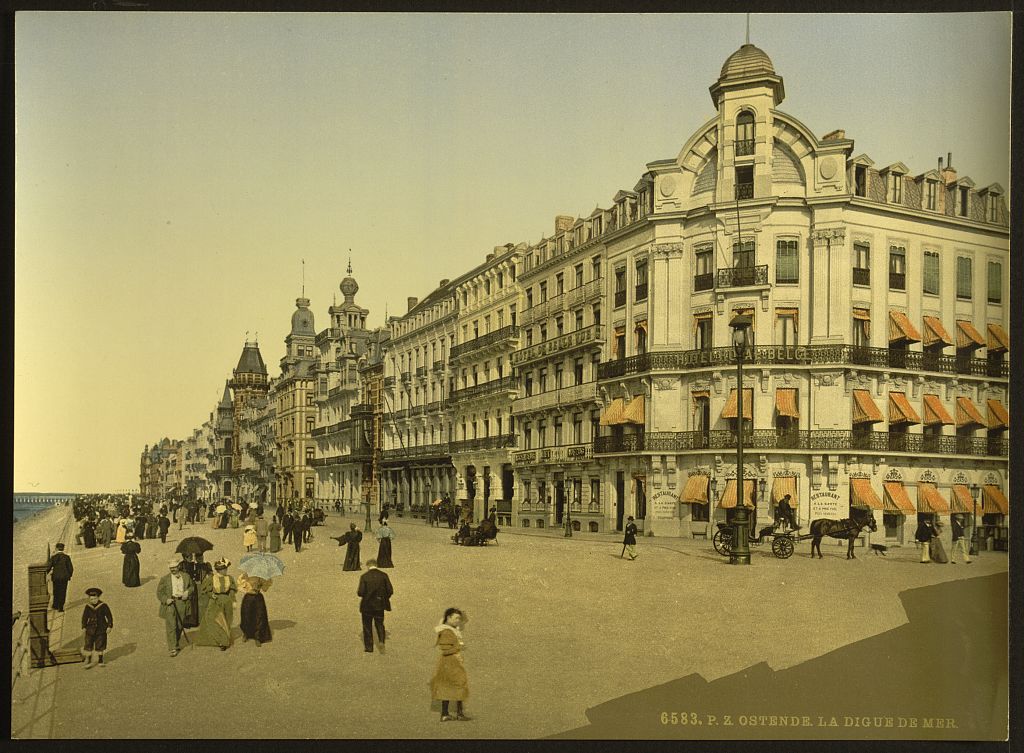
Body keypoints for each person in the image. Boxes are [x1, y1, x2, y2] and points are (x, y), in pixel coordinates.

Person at [430, 607, 470, 721]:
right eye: (456, 618)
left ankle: (446, 713)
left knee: (448, 687)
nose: (458, 620)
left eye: (459, 618)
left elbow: (464, 619)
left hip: (451, 662)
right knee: (457, 685)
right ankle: (458, 713)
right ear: (448, 618)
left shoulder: (450, 629)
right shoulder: (447, 631)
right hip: (450, 663)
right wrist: (459, 647)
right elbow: (445, 649)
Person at [156, 558, 194, 657]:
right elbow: (159, 592)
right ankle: (172, 647)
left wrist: (187, 592)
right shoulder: (165, 579)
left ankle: (175, 642)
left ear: (178, 567)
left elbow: (192, 587)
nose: (173, 570)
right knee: (171, 625)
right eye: (171, 568)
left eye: (174, 567)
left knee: (179, 625)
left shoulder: (186, 576)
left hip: (182, 603)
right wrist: (166, 599)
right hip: (171, 604)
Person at [196, 558, 236, 650]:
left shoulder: (229, 578)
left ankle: (225, 638)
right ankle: (222, 641)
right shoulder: (212, 578)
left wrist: (233, 600)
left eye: (226, 569)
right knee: (214, 620)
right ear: (219, 570)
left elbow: (232, 589)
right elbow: (204, 589)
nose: (226, 571)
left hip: (226, 601)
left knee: (227, 620)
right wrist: (211, 594)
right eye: (224, 569)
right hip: (215, 601)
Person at [356, 559, 393, 653]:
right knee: (380, 624)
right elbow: (390, 590)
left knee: (367, 626)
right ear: (376, 565)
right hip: (379, 605)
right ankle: (381, 641)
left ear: (368, 566)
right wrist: (383, 597)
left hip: (367, 606)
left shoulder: (364, 577)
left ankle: (369, 647)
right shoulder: (384, 575)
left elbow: (360, 592)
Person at [80, 587, 114, 669]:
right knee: (88, 644)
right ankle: (88, 659)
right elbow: (84, 617)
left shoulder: (103, 606)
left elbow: (109, 616)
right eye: (91, 599)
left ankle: (100, 660)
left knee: (100, 644)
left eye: (95, 599)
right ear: (89, 599)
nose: (93, 601)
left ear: (98, 598)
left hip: (101, 628)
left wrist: (109, 626)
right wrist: (84, 626)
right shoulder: (88, 607)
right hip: (90, 629)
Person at [238, 573, 273, 646]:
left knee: (259, 617)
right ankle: (246, 634)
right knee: (246, 616)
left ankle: (258, 637)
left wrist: (265, 582)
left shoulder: (261, 576)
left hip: (258, 598)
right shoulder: (245, 575)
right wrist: (247, 589)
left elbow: (265, 589)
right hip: (248, 598)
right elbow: (240, 586)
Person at [46, 543, 74, 611]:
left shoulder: (53, 557)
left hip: (56, 577)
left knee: (56, 591)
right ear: (63, 549)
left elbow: (48, 567)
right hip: (64, 577)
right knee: (63, 591)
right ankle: (61, 607)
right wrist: (68, 575)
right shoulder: (67, 557)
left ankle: (55, 605)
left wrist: (47, 573)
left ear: (56, 548)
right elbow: (71, 568)